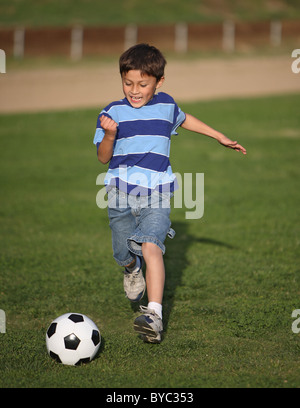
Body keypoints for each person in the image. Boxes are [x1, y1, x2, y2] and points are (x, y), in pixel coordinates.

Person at [93, 43, 246, 343]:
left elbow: (185, 118)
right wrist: (110, 133)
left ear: (158, 82)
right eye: (128, 83)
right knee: (123, 253)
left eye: (142, 84)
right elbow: (102, 157)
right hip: (120, 195)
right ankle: (130, 269)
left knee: (152, 246)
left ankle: (154, 315)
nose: (134, 90)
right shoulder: (112, 112)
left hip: (157, 195)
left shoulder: (166, 106)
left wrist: (219, 136)